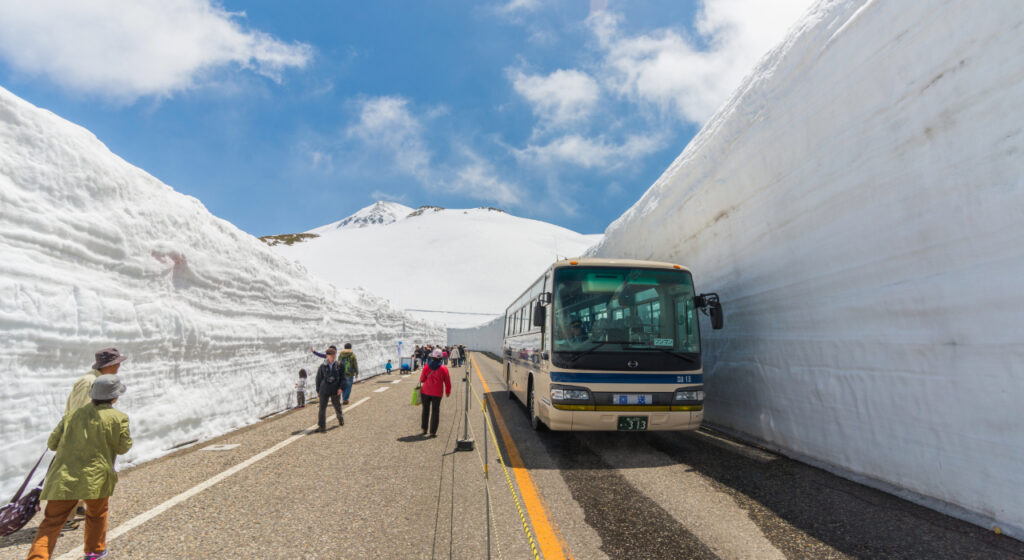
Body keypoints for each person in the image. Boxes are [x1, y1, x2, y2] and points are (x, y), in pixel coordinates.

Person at [27, 375, 132, 560]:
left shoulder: (71, 415)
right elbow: (123, 447)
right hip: (97, 477)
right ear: (114, 397)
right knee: (96, 514)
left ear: (92, 395)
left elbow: (52, 444)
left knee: (51, 522)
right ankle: (94, 552)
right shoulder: (119, 418)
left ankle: (37, 557)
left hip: (64, 476)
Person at [65, 348, 126, 417]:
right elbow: (78, 416)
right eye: (117, 363)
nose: (119, 365)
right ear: (110, 365)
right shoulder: (89, 382)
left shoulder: (100, 380)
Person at [419, 349, 452, 437]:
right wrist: (448, 391)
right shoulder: (444, 368)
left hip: (425, 391)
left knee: (425, 410)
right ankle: (433, 431)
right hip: (437, 393)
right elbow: (447, 382)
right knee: (435, 411)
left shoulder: (426, 367)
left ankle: (424, 429)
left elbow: (422, 379)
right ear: (441, 358)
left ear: (432, 357)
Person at [314, 348, 346, 432]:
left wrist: (341, 388)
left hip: (335, 389)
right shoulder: (322, 366)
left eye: (334, 355)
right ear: (327, 356)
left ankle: (340, 418)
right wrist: (318, 390)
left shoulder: (339, 365)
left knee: (337, 405)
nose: (333, 357)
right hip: (324, 389)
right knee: (322, 408)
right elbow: (318, 378)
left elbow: (343, 378)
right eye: (331, 355)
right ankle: (322, 426)